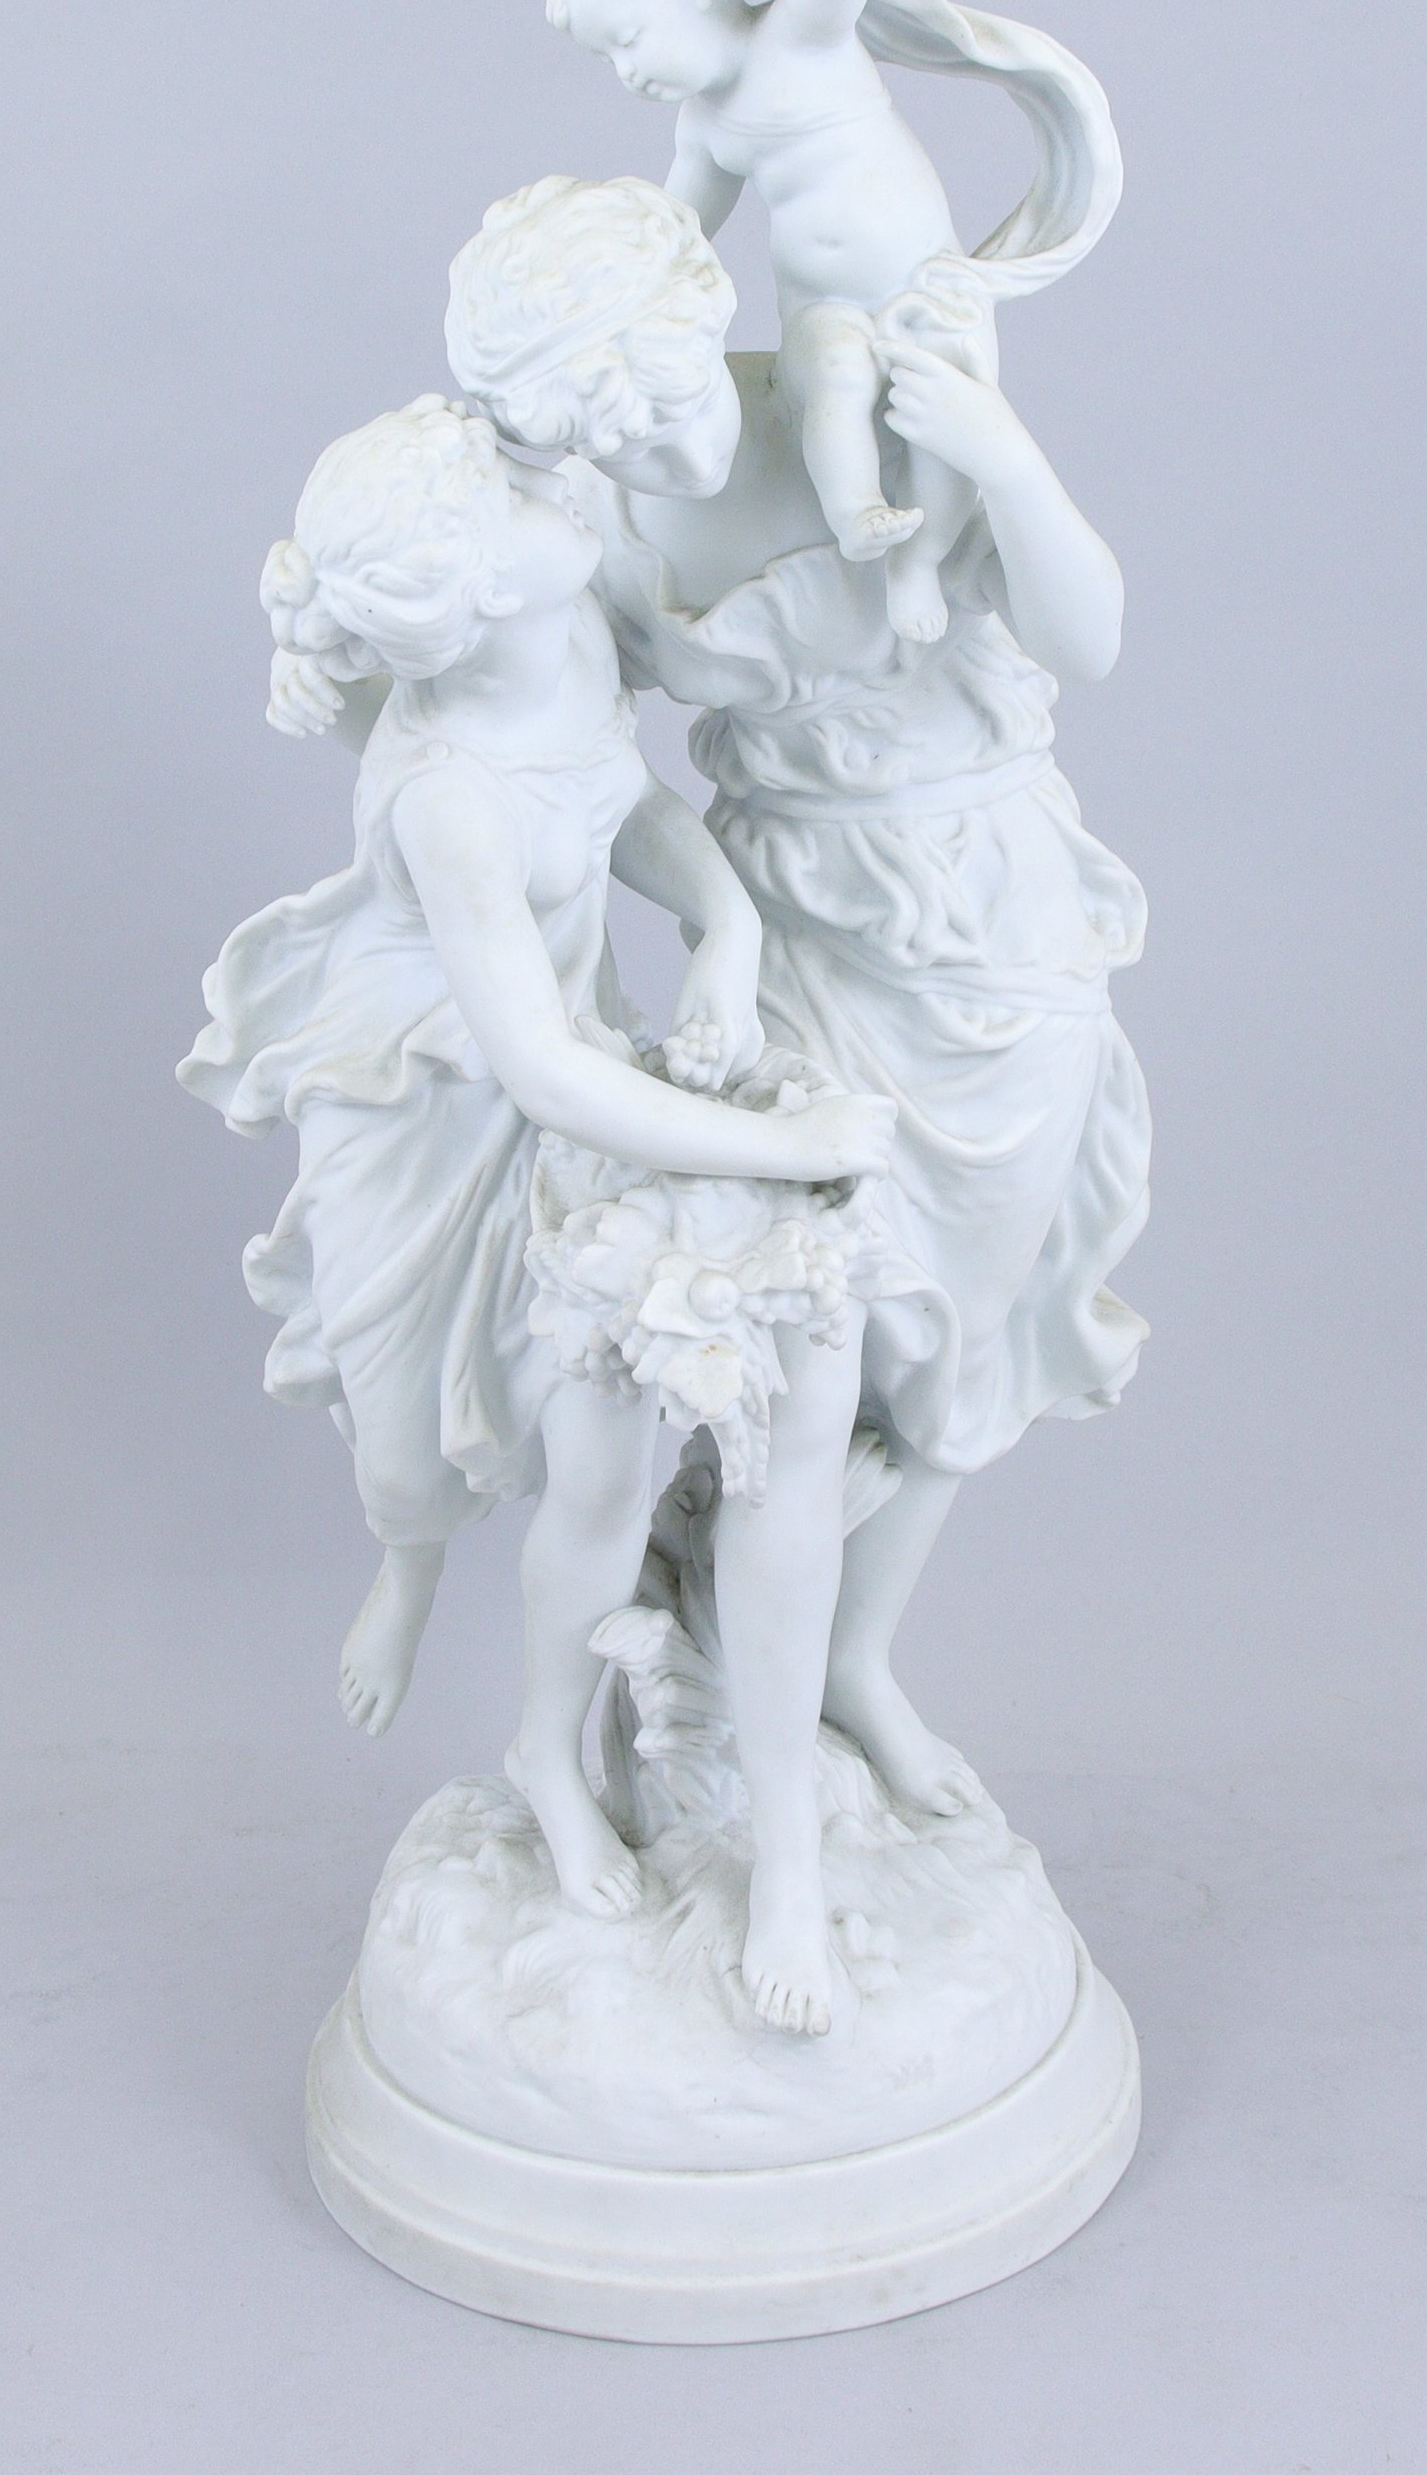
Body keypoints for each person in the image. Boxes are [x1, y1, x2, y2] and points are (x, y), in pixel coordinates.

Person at [178, 393, 892, 2024]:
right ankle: (428, 1593)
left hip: (584, 1082)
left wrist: (727, 937)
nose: (551, 484)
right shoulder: (444, 793)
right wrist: (784, 1144)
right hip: (430, 1105)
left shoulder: (560, 636)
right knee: (411, 1452)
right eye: (509, 495)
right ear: (472, 591)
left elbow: (625, 807)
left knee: (616, 1455)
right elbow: (545, 1071)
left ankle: (638, 1780)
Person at [445, 177, 1151, 1824]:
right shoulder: (581, 521)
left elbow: (1091, 637)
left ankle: (851, 1662)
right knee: (800, 1328)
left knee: (964, 1339)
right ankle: (720, 1712)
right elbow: (564, 773)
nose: (656, 440)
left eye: (665, 392)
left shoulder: (870, 410)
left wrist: (1004, 459)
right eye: (608, 422)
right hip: (784, 925)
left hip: (992, 916)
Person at [548, 0, 1093, 647]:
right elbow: (676, 233)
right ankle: (859, 518)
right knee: (830, 384)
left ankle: (920, 563)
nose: (627, 73)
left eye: (629, 39)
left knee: (943, 421)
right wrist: (596, 295)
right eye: (608, 58)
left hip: (924, 289)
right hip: (822, 306)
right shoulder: (704, 127)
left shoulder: (799, 38)